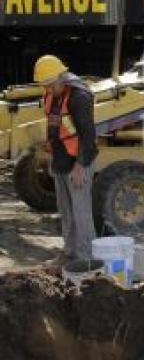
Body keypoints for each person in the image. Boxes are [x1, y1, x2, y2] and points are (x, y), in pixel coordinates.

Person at [33, 55, 98, 261]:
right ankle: (70, 252)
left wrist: (81, 165)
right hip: (60, 158)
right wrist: (48, 147)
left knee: (81, 211)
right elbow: (56, 125)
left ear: (62, 77)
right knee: (65, 210)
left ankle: (86, 258)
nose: (48, 90)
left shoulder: (79, 97)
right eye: (45, 87)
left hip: (78, 161)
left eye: (51, 86)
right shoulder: (52, 94)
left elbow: (88, 136)